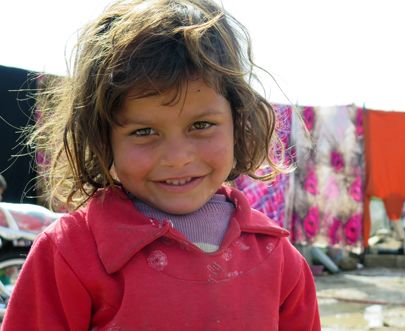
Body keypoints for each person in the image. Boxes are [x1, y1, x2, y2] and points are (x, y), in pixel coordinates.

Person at [1, 0, 320, 329]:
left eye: (201, 125)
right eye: (144, 132)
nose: (177, 157)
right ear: (103, 138)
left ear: (237, 122)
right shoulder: (70, 254)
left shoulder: (278, 258)